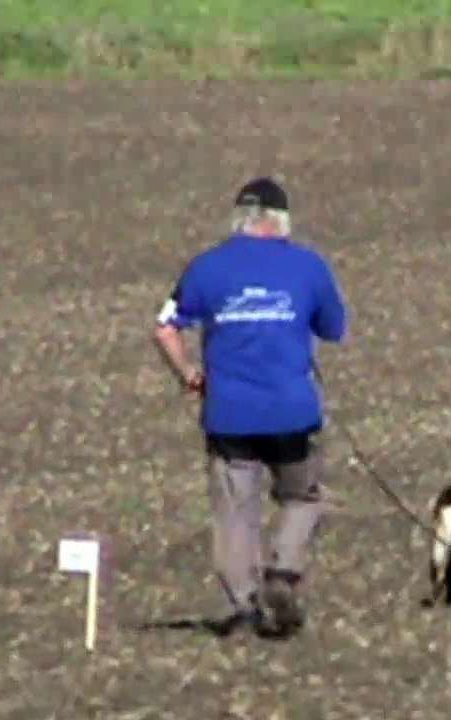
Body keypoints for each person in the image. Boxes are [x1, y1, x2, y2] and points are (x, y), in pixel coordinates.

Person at [153, 177, 347, 639]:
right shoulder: (308, 266)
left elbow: (164, 328)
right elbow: (334, 328)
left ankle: (243, 607)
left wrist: (188, 375)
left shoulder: (206, 267)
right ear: (281, 221)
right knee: (303, 496)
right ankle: (283, 572)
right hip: (292, 415)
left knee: (235, 514)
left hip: (229, 417)